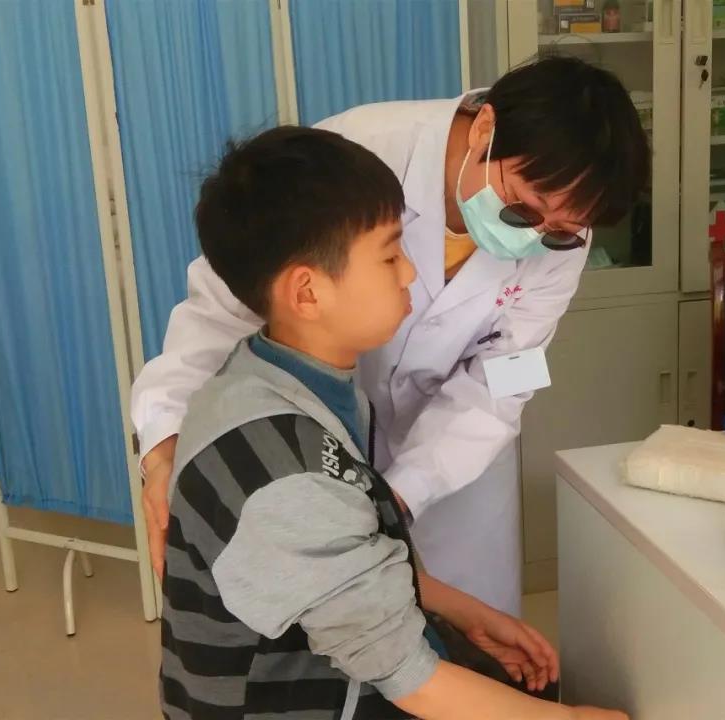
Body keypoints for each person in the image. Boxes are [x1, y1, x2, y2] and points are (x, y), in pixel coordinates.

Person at [133, 55, 650, 616]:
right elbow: (225, 306)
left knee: (467, 628)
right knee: (340, 633)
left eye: (559, 232)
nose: (534, 238)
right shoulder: (360, 153)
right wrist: (167, 439)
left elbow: (505, 377)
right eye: (525, 209)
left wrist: (400, 494)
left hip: (455, 466)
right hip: (314, 440)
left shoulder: (561, 238)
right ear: (485, 128)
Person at [160, 125, 626, 720]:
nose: (410, 273)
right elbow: (411, 680)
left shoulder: (284, 381)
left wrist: (462, 610)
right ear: (307, 293)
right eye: (390, 254)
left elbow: (343, 562)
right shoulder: (284, 468)